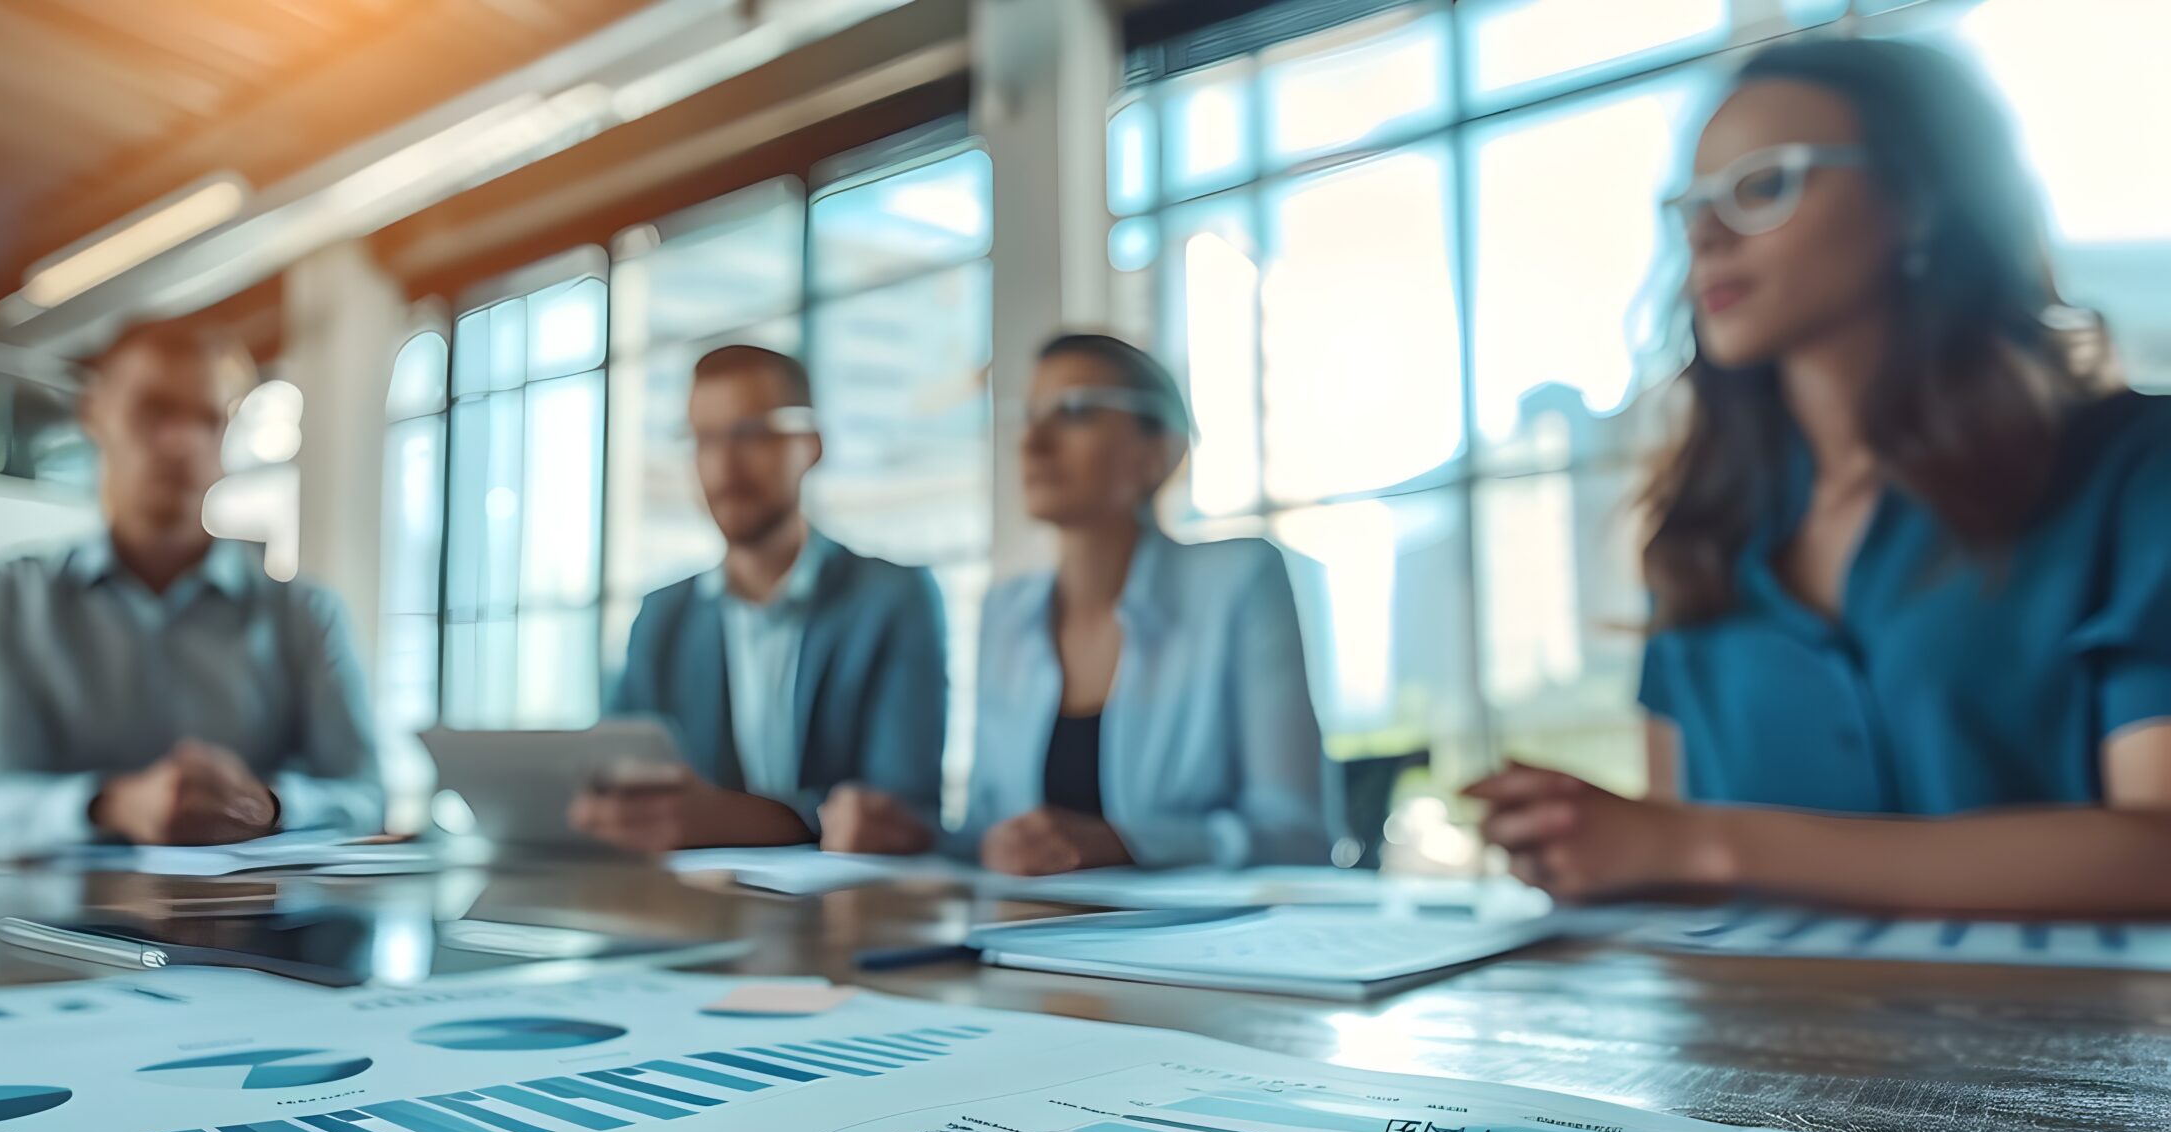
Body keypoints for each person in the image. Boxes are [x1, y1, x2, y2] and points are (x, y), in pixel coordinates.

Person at [1470, 38, 2171, 916]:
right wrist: (1589, 842)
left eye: (1763, 186)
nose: (1706, 235)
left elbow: (2161, 852)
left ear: (1916, 202)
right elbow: (1678, 871)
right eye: (1692, 205)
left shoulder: (2135, 470)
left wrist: (1699, 842)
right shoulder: (1701, 532)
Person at [821, 333, 1340, 875]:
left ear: (1160, 453)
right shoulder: (1006, 612)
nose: (1032, 442)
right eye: (1028, 417)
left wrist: (1122, 843)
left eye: (1074, 411)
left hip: (1203, 929)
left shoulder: (1240, 581)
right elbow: (992, 835)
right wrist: (908, 834)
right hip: (1031, 924)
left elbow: (1298, 835)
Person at [0, 325, 383, 848]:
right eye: (154, 412)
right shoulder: (5, 596)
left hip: (253, 901)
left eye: (207, 420)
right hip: (54, 903)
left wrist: (269, 805)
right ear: (94, 414)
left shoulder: (308, 613)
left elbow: (365, 796)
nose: (182, 442)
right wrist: (116, 805)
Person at [571, 344, 947, 853]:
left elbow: (903, 808)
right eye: (704, 439)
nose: (724, 465)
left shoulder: (893, 602)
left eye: (749, 434)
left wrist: (731, 819)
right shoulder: (661, 617)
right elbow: (611, 780)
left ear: (811, 445)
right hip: (686, 899)